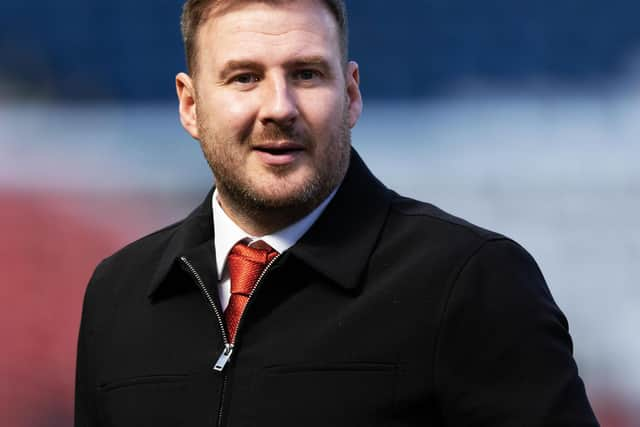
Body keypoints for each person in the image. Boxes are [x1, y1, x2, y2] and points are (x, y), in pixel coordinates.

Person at [74, 0, 600, 426]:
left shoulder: (471, 279)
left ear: (350, 94)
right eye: (243, 78)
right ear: (190, 104)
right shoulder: (118, 293)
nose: (278, 107)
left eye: (305, 74)